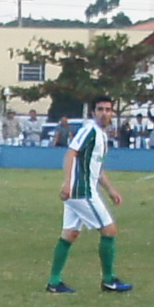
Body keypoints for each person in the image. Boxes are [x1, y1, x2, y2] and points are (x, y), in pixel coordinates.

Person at [47, 93, 131, 293]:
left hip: (83, 189)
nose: (104, 113)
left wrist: (110, 190)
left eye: (108, 110)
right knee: (109, 231)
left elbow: (96, 168)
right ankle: (109, 280)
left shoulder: (101, 135)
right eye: (100, 109)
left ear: (112, 113)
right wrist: (67, 184)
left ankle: (54, 282)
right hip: (81, 190)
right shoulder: (89, 131)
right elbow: (70, 153)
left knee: (70, 234)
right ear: (93, 112)